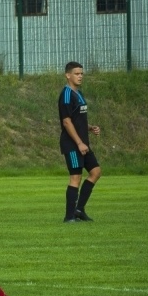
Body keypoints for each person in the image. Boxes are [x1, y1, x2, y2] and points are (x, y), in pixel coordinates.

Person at [59, 61, 102, 223]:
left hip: (82, 142)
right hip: (72, 144)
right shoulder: (66, 95)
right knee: (75, 177)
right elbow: (67, 122)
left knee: (96, 172)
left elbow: (77, 119)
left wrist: (89, 127)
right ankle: (69, 217)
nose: (80, 76)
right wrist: (79, 143)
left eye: (81, 73)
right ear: (68, 75)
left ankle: (79, 209)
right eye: (77, 73)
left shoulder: (79, 94)